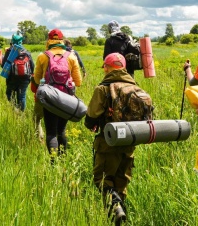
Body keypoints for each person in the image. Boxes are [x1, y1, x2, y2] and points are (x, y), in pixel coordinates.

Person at [84, 52, 136, 225]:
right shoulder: (135, 87)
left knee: (103, 180)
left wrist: (93, 123)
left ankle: (115, 211)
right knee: (121, 184)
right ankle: (120, 218)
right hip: (130, 143)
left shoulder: (103, 89)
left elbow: (90, 117)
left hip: (108, 143)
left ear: (107, 68)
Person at [33, 29, 82, 161]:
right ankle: (63, 159)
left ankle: (54, 164)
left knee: (51, 133)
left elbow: (37, 80)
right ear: (61, 40)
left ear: (49, 40)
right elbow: (78, 81)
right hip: (67, 99)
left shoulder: (43, 56)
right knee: (61, 131)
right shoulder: (71, 56)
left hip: (49, 99)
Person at [1, 34, 34, 112]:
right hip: (25, 78)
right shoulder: (27, 52)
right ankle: (21, 114)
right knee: (22, 96)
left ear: (12, 41)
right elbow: (32, 66)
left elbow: (3, 65)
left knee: (10, 95)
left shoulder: (9, 52)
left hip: (11, 78)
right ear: (21, 42)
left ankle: (13, 111)